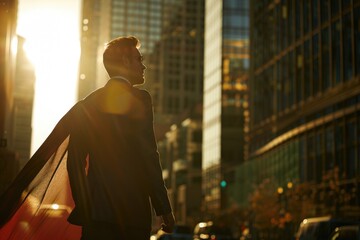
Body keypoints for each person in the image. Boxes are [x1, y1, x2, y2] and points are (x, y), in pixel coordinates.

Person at [0, 36, 175, 240]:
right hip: (132, 215)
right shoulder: (141, 99)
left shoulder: (86, 105)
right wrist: (164, 209)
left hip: (96, 217)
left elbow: (74, 163)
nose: (144, 66)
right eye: (139, 59)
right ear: (126, 62)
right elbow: (148, 156)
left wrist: (85, 207)